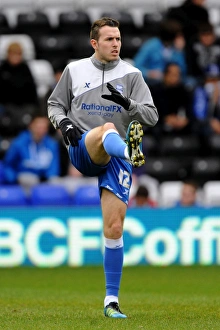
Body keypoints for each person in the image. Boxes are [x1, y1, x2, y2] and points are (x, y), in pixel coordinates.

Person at [48, 17, 158, 318]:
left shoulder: (132, 74)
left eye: (119, 38)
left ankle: (111, 301)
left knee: (114, 227)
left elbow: (152, 117)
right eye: (109, 39)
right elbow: (54, 105)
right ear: (94, 43)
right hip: (84, 146)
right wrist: (65, 123)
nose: (116, 44)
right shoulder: (75, 70)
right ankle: (128, 150)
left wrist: (130, 104)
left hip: (116, 159)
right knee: (107, 128)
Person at [3, 116, 60, 193]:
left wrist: (47, 179)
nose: (41, 130)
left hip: (44, 181)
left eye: (44, 128)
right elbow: (8, 165)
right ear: (31, 126)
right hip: (23, 180)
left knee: (56, 182)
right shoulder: (19, 143)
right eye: (38, 127)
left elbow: (53, 169)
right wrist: (14, 179)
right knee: (29, 179)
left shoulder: (52, 144)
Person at [0, 42, 39, 136]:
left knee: (26, 120)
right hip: (7, 106)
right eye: (13, 54)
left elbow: (32, 91)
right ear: (8, 55)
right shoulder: (3, 69)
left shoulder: (25, 69)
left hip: (25, 106)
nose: (15, 57)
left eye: (18, 54)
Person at [133, 19, 187, 87]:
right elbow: (135, 66)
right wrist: (149, 74)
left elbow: (183, 71)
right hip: (151, 84)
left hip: (171, 85)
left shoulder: (177, 49)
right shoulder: (151, 45)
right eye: (179, 36)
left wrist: (179, 51)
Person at [150, 62, 193, 137]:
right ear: (165, 75)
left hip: (182, 126)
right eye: (173, 75)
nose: (175, 78)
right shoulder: (154, 91)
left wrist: (185, 120)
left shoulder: (184, 91)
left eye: (177, 75)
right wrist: (165, 119)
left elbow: (190, 112)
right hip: (160, 126)